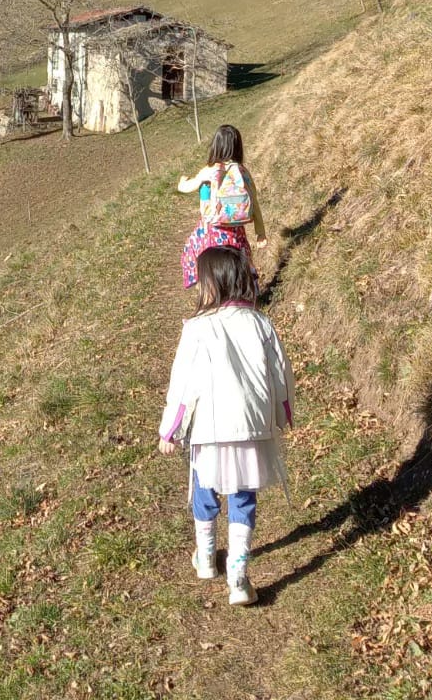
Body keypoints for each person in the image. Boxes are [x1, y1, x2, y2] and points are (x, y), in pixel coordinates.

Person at [157, 245, 296, 606]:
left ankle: (205, 558)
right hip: (251, 425)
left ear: (213, 283)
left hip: (209, 427)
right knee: (243, 495)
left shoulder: (197, 328)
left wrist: (170, 429)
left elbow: (183, 383)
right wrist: (283, 413)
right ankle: (238, 577)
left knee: (205, 488)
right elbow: (281, 375)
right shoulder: (261, 323)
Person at [177, 123, 267, 289]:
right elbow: (254, 202)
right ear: (238, 148)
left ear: (215, 147)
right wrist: (260, 232)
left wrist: (182, 182)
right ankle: (248, 292)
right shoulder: (242, 172)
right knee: (241, 261)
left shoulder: (210, 170)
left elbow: (186, 187)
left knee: (191, 252)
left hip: (212, 230)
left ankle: (205, 290)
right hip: (236, 232)